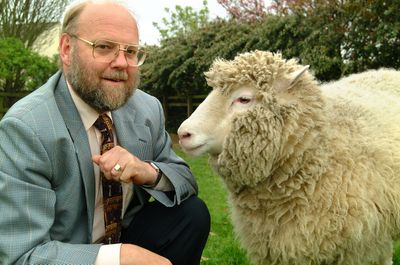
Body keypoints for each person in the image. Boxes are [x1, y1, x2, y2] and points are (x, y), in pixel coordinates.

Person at [0, 1, 210, 264]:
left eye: (131, 51)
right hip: (68, 252)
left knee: (192, 214)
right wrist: (118, 257)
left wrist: (148, 171)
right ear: (67, 49)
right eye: (104, 47)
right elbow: (21, 254)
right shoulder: (27, 127)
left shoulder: (147, 108)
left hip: (128, 230)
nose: (122, 62)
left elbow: (186, 183)